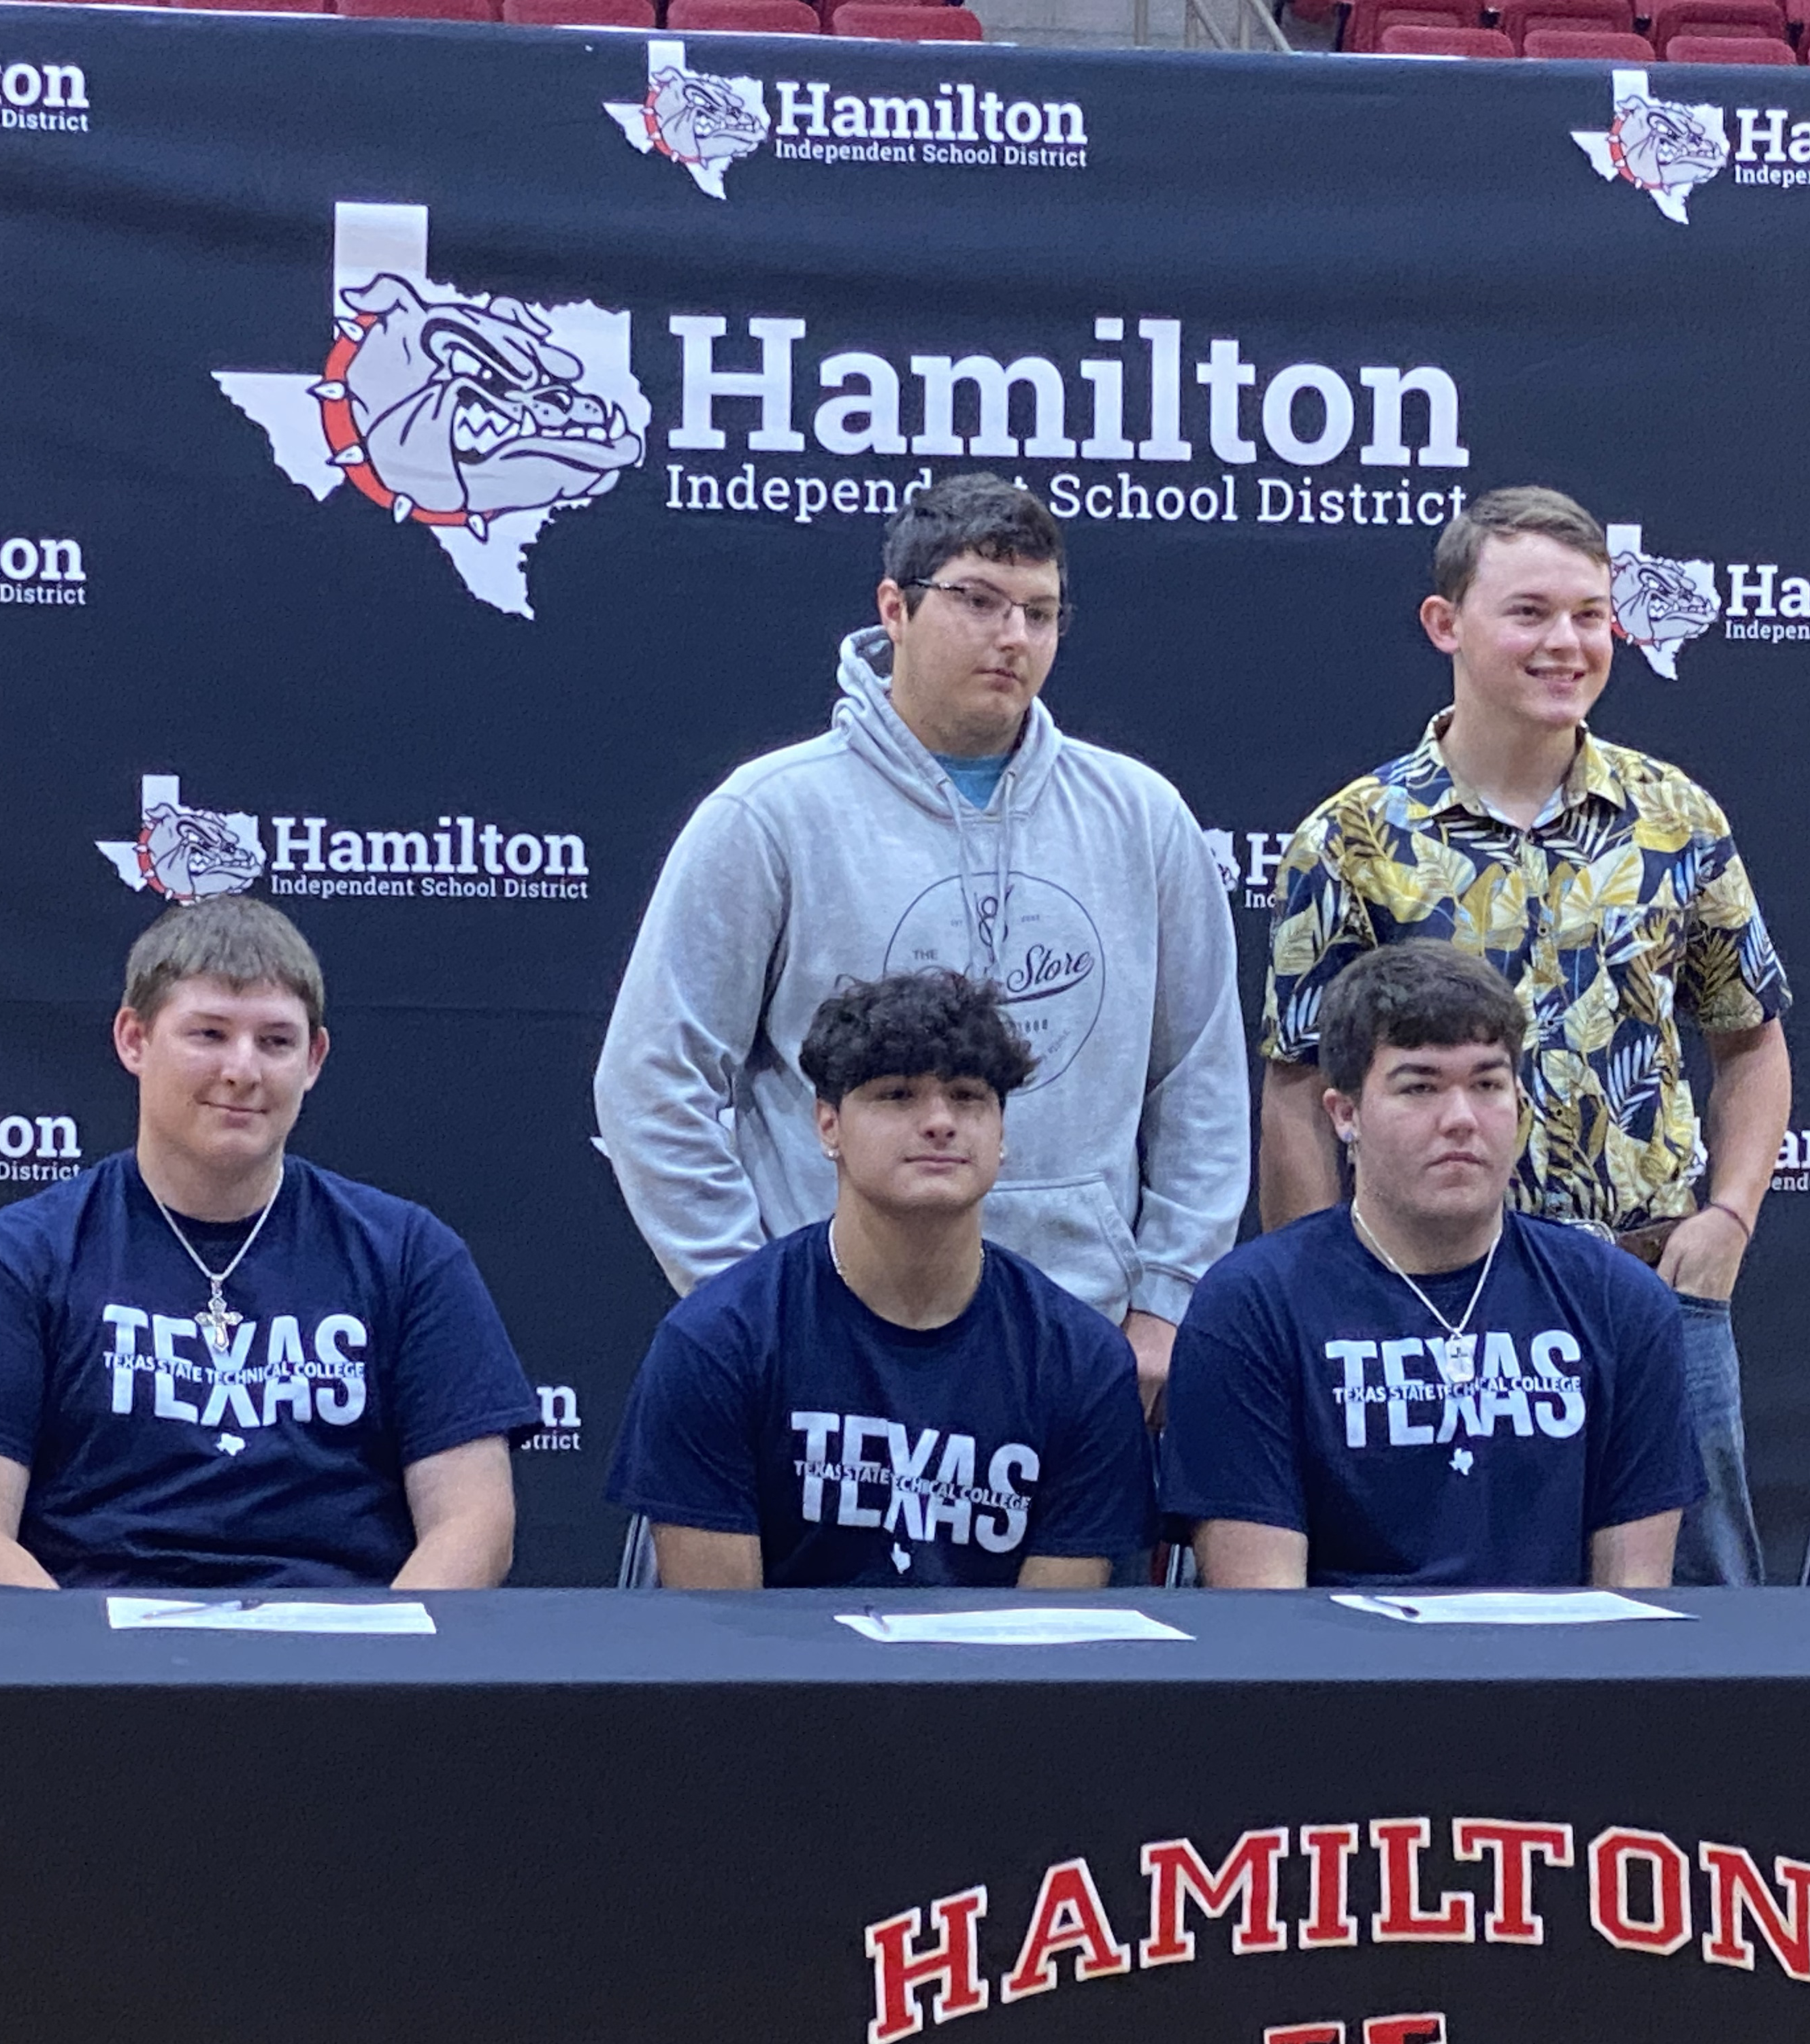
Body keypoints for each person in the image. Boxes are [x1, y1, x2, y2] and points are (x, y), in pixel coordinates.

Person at [595, 474, 1247, 1423]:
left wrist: (1168, 1304)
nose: (1012, 637)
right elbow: (653, 1083)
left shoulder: (1141, 818)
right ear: (894, 609)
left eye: (1040, 611)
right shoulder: (771, 816)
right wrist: (751, 1306)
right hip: (830, 1352)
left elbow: (1200, 1081)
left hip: (1086, 1342)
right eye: (978, 601)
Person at [1257, 486, 1791, 1585]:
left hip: (1654, 1294)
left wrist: (1730, 1213)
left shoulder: (1676, 819)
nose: (1568, 643)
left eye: (1591, 615)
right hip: (1427, 1294)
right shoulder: (1349, 840)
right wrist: (1315, 1287)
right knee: (1431, 1592)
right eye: (1531, 612)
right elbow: (1297, 1084)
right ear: (1445, 624)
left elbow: (1749, 1038)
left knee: (1703, 1620)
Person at [0, 899, 541, 1589]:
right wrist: (100, 1681)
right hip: (94, 1661)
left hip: (346, 1662)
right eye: (209, 1034)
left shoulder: (409, 1256)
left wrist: (369, 1679)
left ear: (313, 1059)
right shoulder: (17, 1261)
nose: (243, 1070)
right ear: (134, 1039)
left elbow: (474, 1524)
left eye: (276, 1042)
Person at [1160, 943, 1696, 1589]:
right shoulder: (1251, 1308)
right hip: (1340, 1679)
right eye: (1420, 1087)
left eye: (1488, 1084)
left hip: (1558, 1679)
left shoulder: (1621, 1303)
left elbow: (1634, 1613)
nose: (1462, 1120)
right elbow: (1264, 1627)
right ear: (1346, 1115)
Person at [606, 970, 1156, 1589]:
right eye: (897, 1095)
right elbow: (719, 1646)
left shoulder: (1081, 1361)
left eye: (969, 1097)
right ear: (828, 1125)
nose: (940, 1122)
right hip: (777, 1679)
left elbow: (1047, 1653)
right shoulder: (718, 1344)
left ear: (1002, 1134)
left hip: (994, 1687)